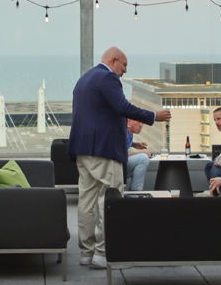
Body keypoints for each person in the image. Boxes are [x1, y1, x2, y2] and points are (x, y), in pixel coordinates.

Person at [68, 46, 170, 269]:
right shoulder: (108, 78)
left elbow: (95, 115)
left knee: (86, 201)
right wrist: (154, 116)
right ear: (114, 61)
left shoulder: (84, 79)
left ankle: (86, 253)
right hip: (104, 150)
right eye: (124, 65)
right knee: (110, 199)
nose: (125, 71)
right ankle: (103, 254)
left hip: (82, 149)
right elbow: (122, 107)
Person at [125, 119, 150, 191]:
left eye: (142, 122)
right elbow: (121, 156)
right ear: (129, 121)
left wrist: (134, 144)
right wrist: (142, 153)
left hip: (120, 166)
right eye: (138, 121)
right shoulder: (123, 134)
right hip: (115, 167)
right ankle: (135, 192)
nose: (141, 125)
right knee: (143, 158)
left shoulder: (129, 133)